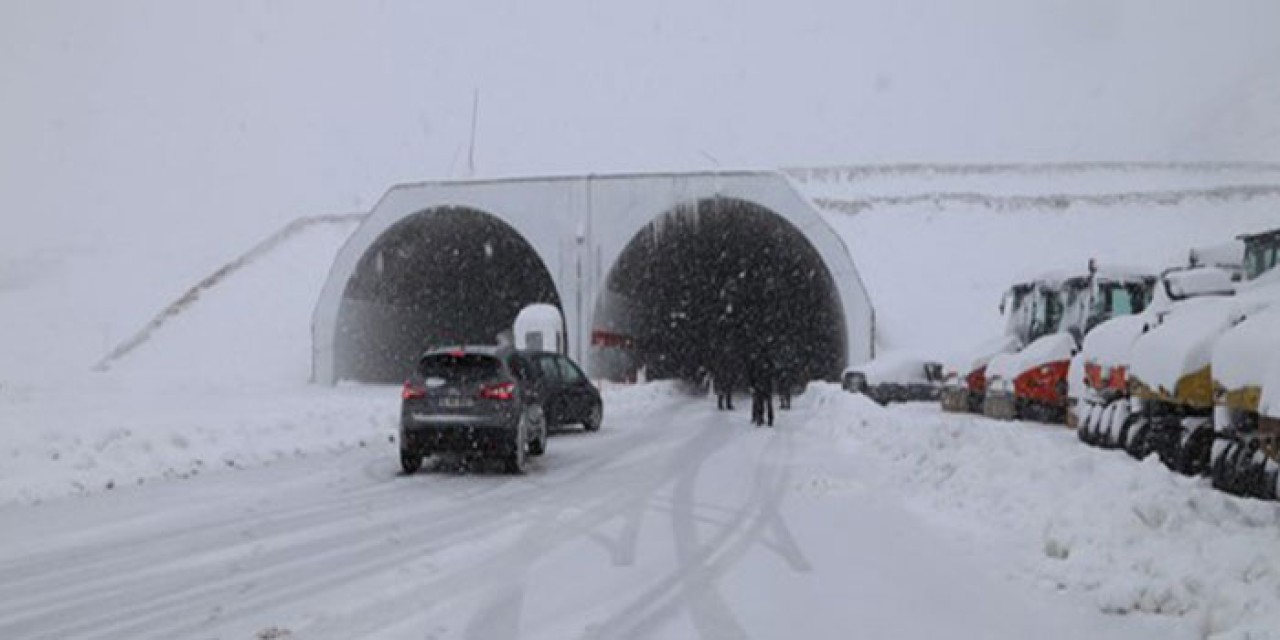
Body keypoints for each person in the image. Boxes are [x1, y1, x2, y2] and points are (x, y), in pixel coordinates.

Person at [749, 356, 775, 427]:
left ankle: (760, 418)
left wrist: (752, 384)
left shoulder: (755, 361)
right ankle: (768, 419)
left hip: (760, 384)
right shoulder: (768, 361)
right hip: (764, 385)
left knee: (760, 402)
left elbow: (751, 374)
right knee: (766, 403)